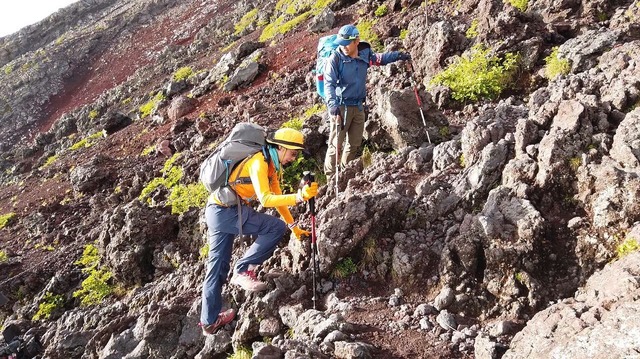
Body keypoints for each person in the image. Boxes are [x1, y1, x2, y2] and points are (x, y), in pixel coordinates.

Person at [199, 128, 319, 335]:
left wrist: (294, 227)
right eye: (293, 153)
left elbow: (278, 197)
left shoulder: (271, 165)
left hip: (218, 211)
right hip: (227, 212)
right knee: (274, 228)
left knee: (216, 268)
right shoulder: (259, 162)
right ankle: (243, 270)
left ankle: (209, 322)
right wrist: (300, 197)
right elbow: (266, 199)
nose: (294, 158)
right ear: (280, 147)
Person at [323, 24, 411, 175]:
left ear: (356, 41)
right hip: (340, 108)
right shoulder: (335, 59)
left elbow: (380, 59)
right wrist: (332, 105)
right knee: (335, 145)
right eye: (341, 44)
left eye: (346, 44)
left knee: (354, 143)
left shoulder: (365, 54)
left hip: (358, 107)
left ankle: (345, 173)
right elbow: (328, 83)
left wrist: (398, 55)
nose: (343, 47)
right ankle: (331, 178)